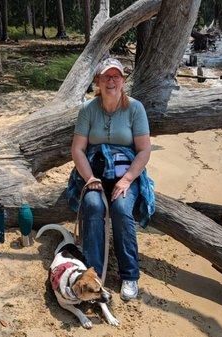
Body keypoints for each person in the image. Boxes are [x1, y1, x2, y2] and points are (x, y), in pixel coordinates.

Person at [67, 58, 155, 301]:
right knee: (94, 205)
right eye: (107, 76)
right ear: (98, 81)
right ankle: (93, 273)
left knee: (121, 207)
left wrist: (127, 179)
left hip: (125, 173)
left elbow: (144, 150)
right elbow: (78, 150)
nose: (112, 81)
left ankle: (130, 274)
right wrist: (89, 178)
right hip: (94, 172)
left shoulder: (135, 108)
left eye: (116, 76)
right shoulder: (88, 110)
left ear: (123, 81)